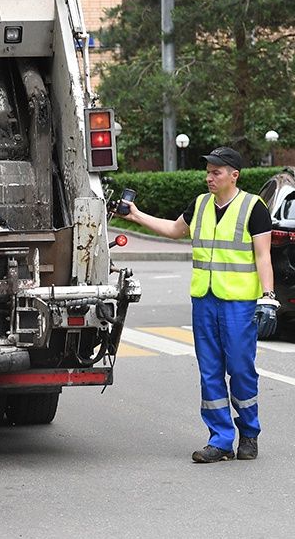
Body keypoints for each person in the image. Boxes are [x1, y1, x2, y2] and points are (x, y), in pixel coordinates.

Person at [116, 146, 277, 463]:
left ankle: (249, 434)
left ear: (234, 175)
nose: (209, 177)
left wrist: (268, 297)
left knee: (241, 370)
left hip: (239, 303)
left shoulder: (253, 208)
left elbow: (263, 256)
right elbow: (174, 230)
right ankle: (219, 440)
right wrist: (135, 215)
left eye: (216, 172)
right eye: (208, 171)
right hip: (204, 301)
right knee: (210, 372)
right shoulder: (200, 205)